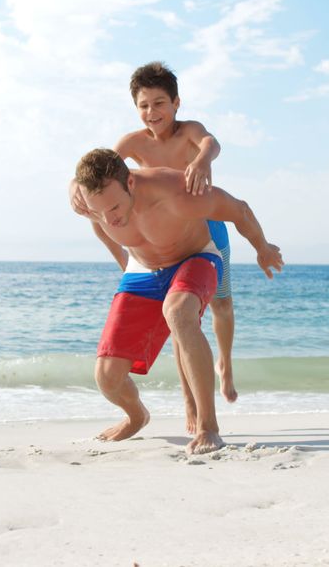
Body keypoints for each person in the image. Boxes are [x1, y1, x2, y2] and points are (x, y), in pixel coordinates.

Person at [73, 148, 283, 454]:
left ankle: (208, 426)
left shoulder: (177, 193)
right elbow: (108, 234)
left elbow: (240, 210)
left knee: (178, 311)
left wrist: (262, 249)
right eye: (99, 211)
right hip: (143, 269)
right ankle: (137, 416)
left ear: (130, 183)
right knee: (106, 378)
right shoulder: (93, 204)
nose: (110, 218)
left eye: (115, 207)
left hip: (195, 258)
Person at [70, 61, 240, 412]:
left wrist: (204, 160)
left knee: (222, 303)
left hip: (205, 225)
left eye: (160, 103)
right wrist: (74, 185)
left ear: (176, 103)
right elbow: (99, 168)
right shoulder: (133, 142)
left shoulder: (189, 131)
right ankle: (190, 401)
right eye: (144, 105)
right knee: (182, 317)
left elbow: (211, 142)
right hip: (161, 236)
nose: (152, 112)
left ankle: (225, 364)